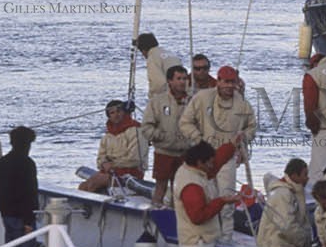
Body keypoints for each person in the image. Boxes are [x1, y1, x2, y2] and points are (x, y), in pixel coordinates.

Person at [179, 64, 255, 197]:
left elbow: (252, 126)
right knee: (206, 195)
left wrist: (243, 139)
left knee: (227, 197)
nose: (229, 86)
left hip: (228, 157)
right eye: (226, 82)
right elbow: (185, 122)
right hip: (203, 157)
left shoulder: (243, 103)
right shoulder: (202, 98)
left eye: (232, 82)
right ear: (218, 81)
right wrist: (198, 138)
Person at [143, 63, 191, 207]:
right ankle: (155, 212)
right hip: (164, 152)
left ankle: (179, 215)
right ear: (170, 81)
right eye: (179, 78)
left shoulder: (193, 102)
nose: (182, 82)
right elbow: (146, 127)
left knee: (182, 189)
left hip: (186, 153)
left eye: (184, 78)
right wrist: (162, 136)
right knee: (161, 187)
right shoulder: (157, 102)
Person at [80, 100, 148, 193]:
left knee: (93, 184)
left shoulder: (136, 131)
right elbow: (100, 158)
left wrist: (113, 165)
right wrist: (104, 164)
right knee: (83, 186)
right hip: (110, 171)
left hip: (131, 173)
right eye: (112, 113)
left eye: (119, 111)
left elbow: (135, 159)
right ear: (109, 116)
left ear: (124, 112)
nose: (116, 115)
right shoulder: (108, 136)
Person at [0, 126, 39, 243]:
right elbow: (28, 193)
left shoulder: (1, 163)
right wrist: (28, 221)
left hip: (7, 214)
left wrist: (3, 211)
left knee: (12, 246)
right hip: (23, 217)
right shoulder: (27, 164)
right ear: (28, 144)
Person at [257, 158, 312, 247]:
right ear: (294, 175)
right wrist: (304, 242)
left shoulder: (290, 193)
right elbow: (287, 225)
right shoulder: (284, 194)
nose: (307, 178)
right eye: (305, 175)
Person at [302, 52, 326, 180]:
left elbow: (310, 106)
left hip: (325, 130)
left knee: (318, 173)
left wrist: (314, 127)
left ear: (314, 63)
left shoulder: (313, 75)